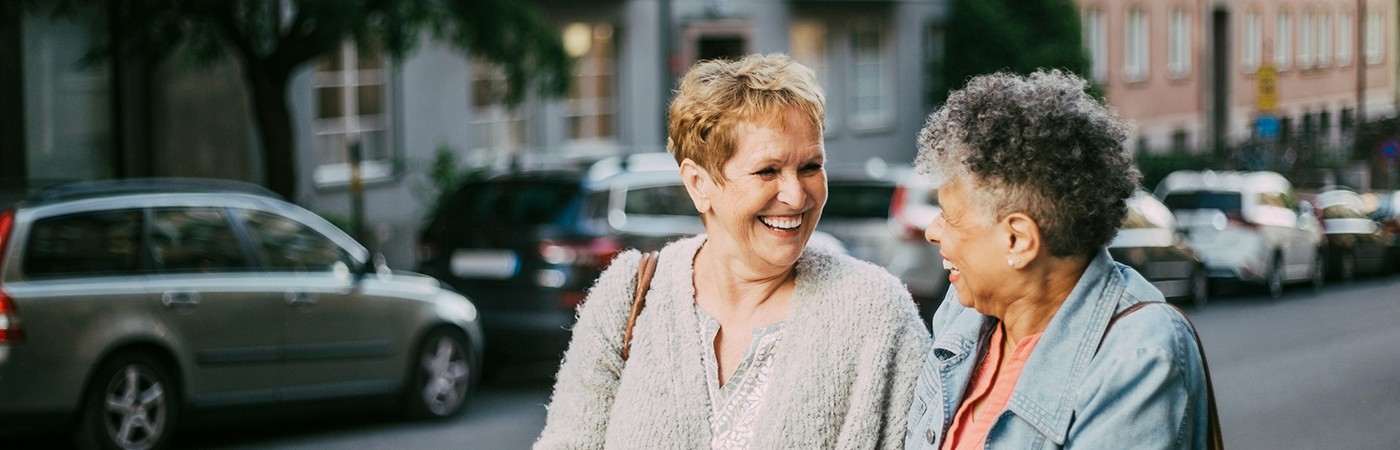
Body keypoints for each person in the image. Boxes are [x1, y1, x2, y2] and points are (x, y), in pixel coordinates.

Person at [534, 53, 929, 449]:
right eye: (767, 171)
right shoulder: (628, 297)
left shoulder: (875, 313)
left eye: (810, 167)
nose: (795, 195)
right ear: (698, 183)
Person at [903, 71, 1214, 449]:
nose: (933, 231)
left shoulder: (1139, 357)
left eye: (949, 217)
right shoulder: (965, 309)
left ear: (1017, 240)